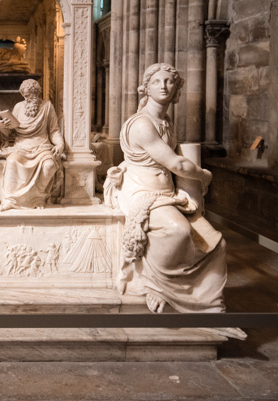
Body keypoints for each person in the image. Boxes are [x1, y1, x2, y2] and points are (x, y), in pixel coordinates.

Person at [104, 64, 246, 339]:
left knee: (217, 243)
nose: (164, 86)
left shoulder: (165, 123)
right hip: (142, 194)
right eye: (157, 81)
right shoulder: (142, 124)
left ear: (177, 90)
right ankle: (155, 284)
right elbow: (176, 163)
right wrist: (203, 175)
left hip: (167, 195)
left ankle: (211, 310)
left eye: (170, 82)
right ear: (145, 87)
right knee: (177, 231)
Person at [0, 79, 64, 211]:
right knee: (11, 162)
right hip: (21, 146)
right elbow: (9, 131)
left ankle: (37, 198)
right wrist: (0, 126)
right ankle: (11, 200)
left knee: (49, 166)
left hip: (42, 146)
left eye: (28, 95)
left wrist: (60, 144)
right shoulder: (18, 107)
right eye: (24, 96)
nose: (26, 99)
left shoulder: (47, 106)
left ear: (36, 93)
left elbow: (54, 130)